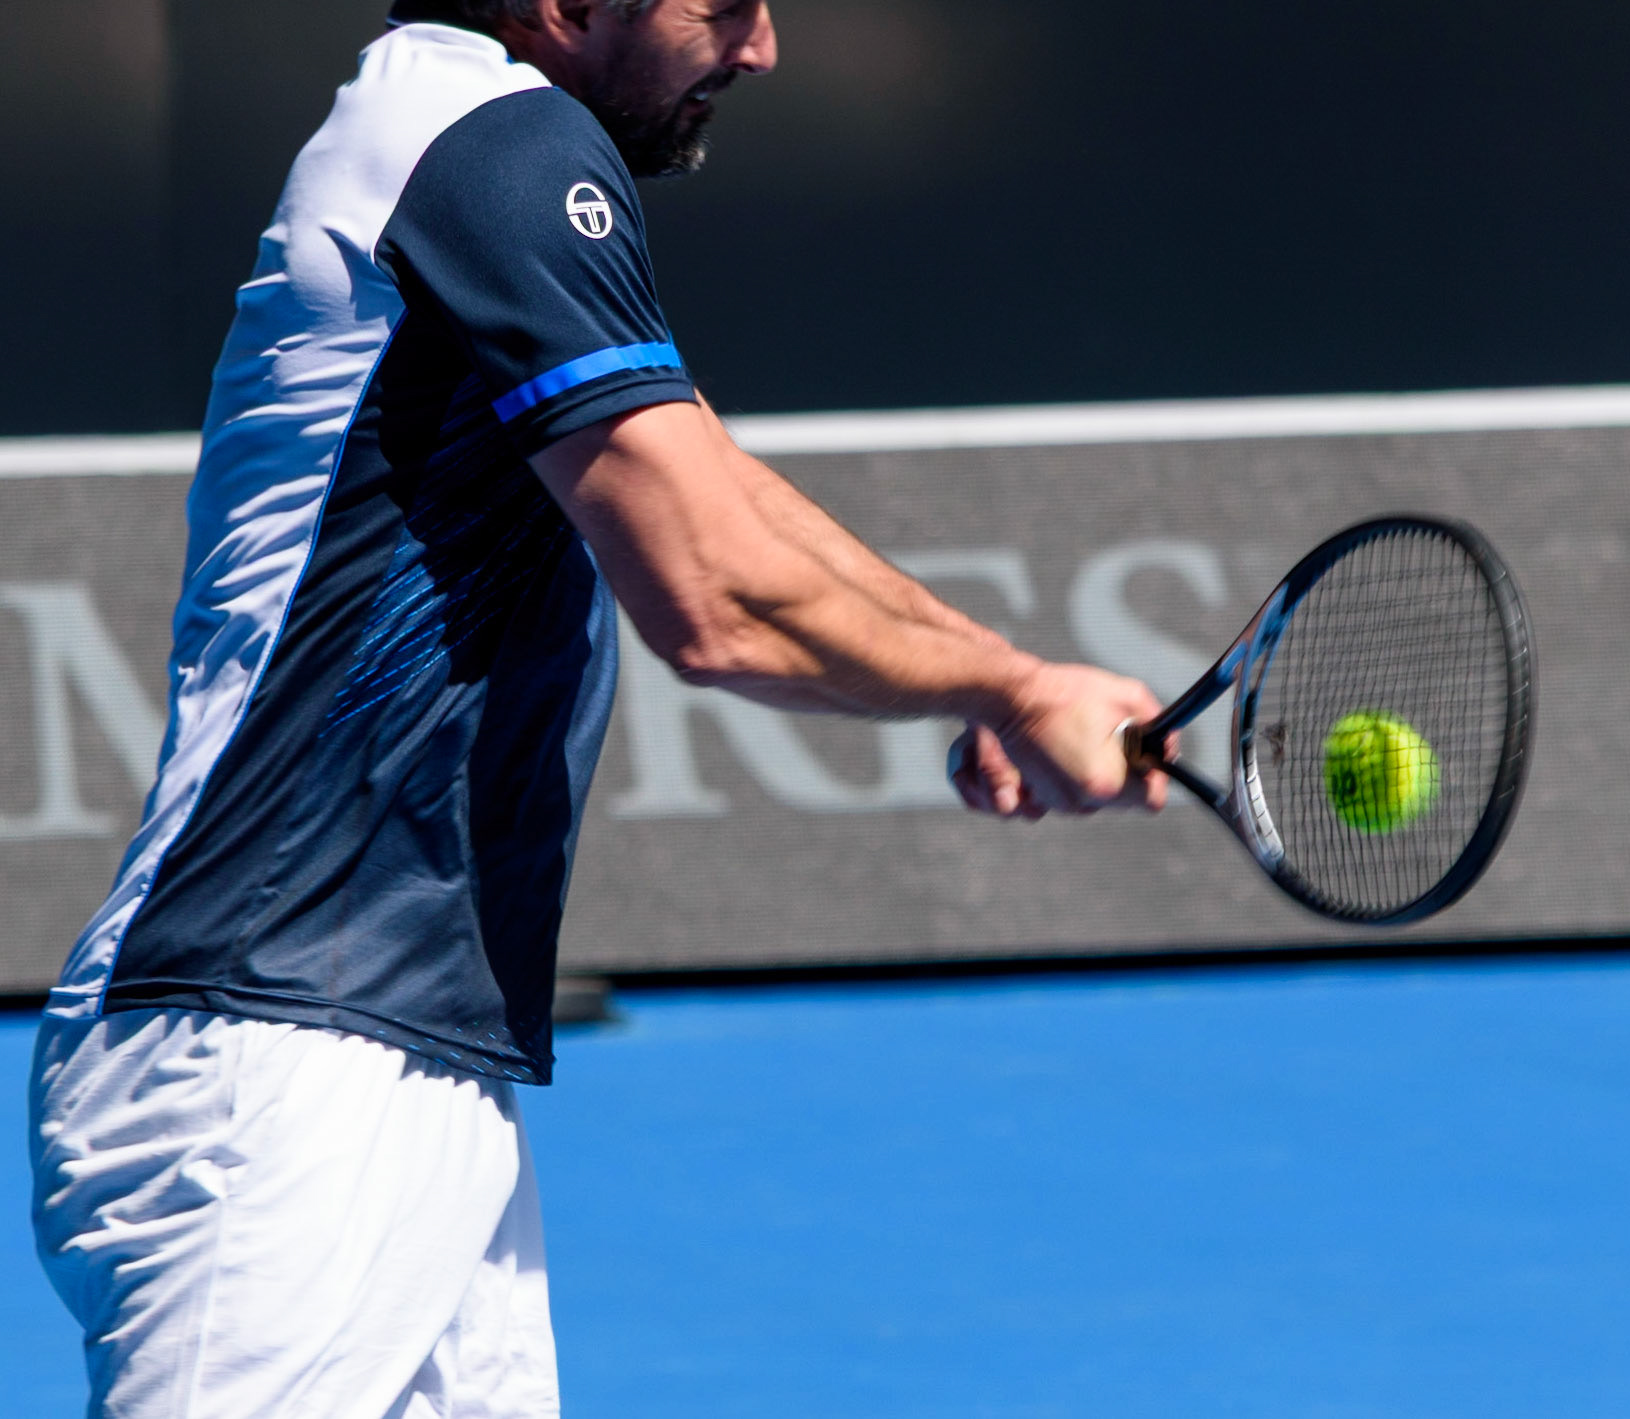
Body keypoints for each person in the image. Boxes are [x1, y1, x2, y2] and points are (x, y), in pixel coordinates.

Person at [28, 1, 1169, 1414]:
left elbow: (721, 491)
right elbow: (714, 595)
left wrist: (1003, 678)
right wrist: (1012, 685)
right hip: (273, 1055)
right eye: (720, 4)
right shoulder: (493, 143)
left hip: (401, 1051)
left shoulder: (458, 139)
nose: (760, 50)